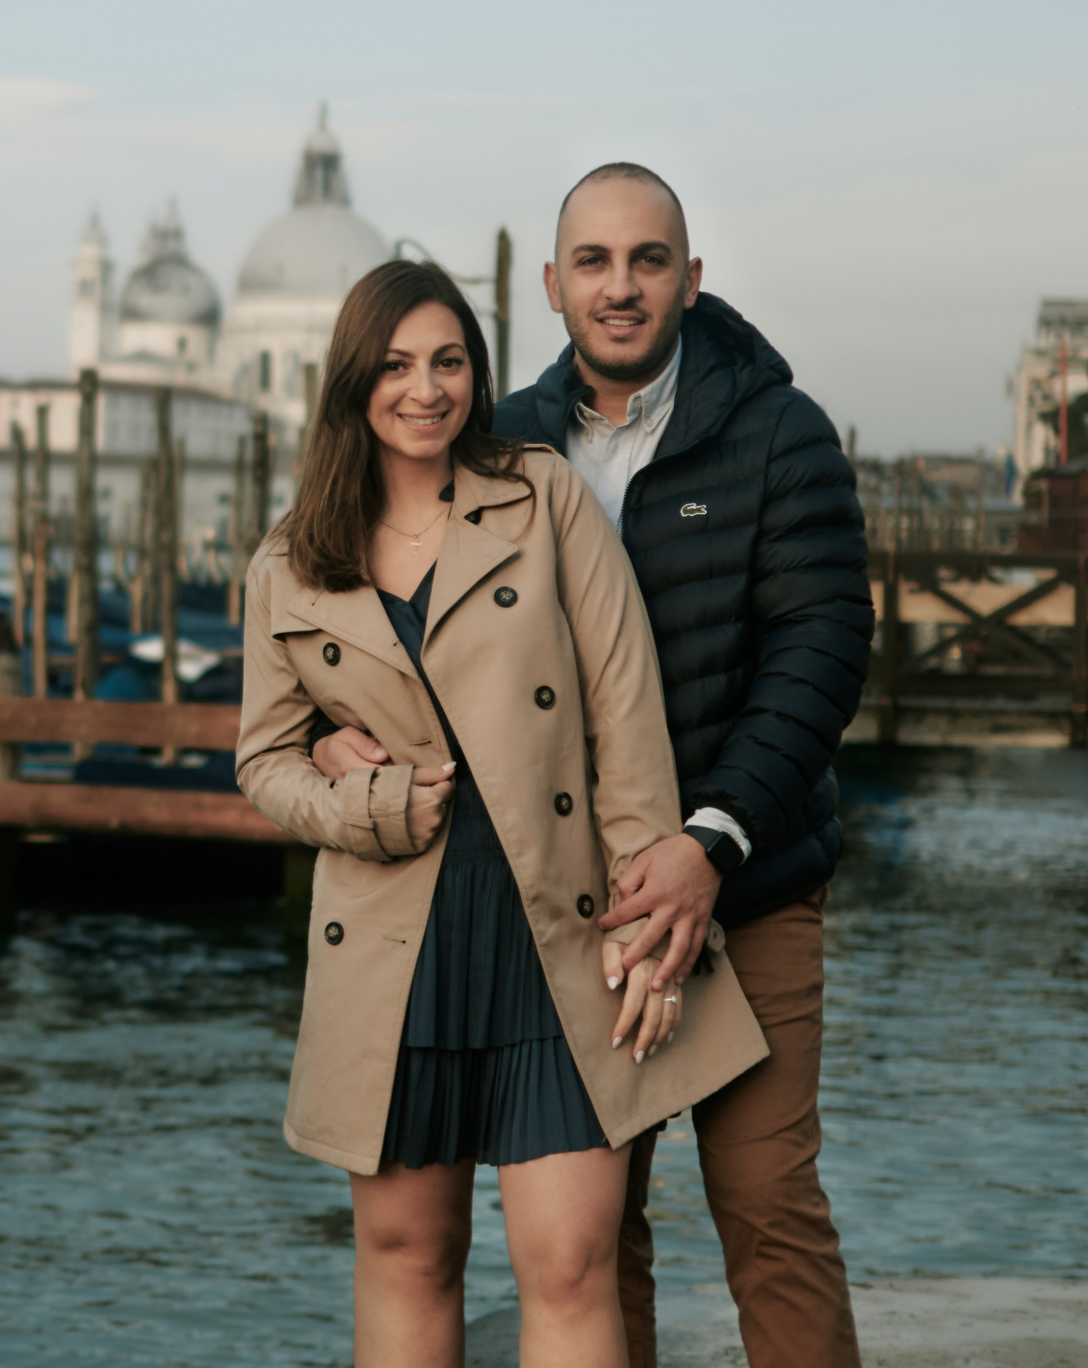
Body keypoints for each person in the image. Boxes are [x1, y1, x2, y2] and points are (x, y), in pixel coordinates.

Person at [315, 164, 873, 1368]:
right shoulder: (500, 436)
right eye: (593, 263)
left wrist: (707, 839)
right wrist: (326, 729)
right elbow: (394, 624)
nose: (620, 287)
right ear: (558, 287)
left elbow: (819, 655)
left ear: (690, 277)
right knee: (586, 1233)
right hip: (572, 898)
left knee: (764, 1201)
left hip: (747, 871)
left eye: (648, 259)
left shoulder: (780, 433)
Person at [239, 258, 768, 1368]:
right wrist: (367, 799)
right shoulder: (290, 562)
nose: (423, 388)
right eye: (394, 364)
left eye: (447, 361)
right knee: (404, 1252)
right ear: (352, 382)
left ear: (476, 374)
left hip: (558, 927)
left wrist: (645, 933)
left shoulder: (540, 496)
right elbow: (265, 763)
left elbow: (625, 717)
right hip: (395, 939)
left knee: (570, 1260)